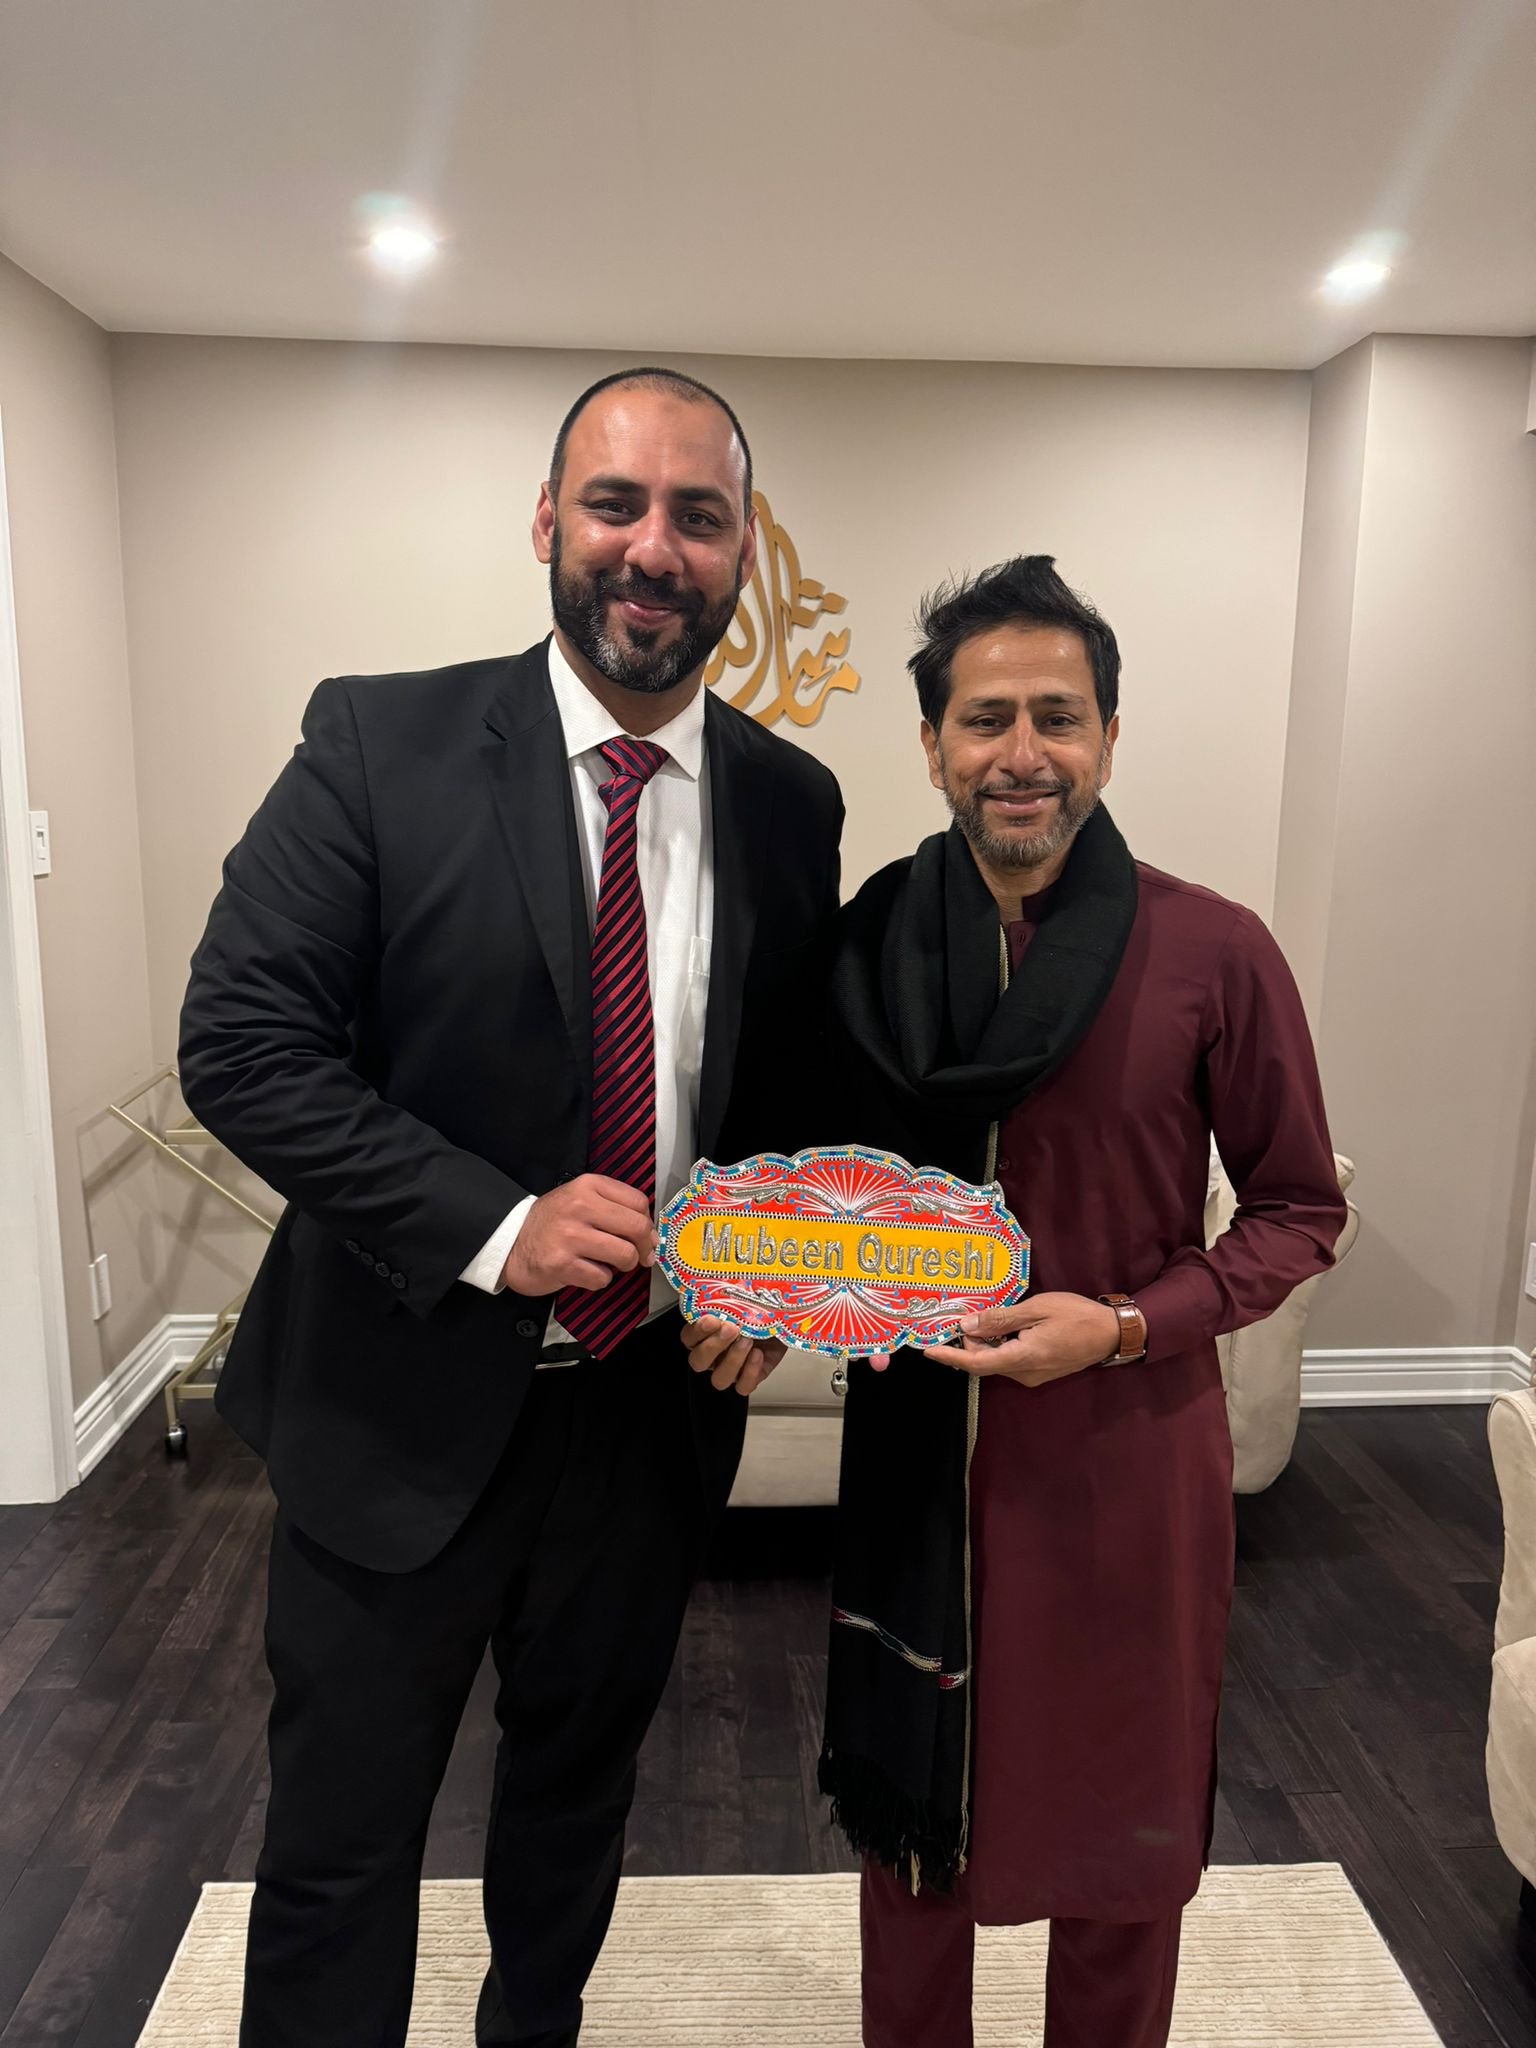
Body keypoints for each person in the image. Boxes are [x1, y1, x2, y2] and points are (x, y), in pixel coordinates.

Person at [177, 366, 842, 2048]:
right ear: (548, 521)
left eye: (698, 516)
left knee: (573, 1810)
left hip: (645, 1424)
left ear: (743, 548)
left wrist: (769, 1275)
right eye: (616, 504)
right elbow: (242, 1047)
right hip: (392, 1406)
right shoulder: (376, 743)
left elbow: (776, 1089)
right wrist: (497, 1228)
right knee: (342, 1847)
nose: (654, 548)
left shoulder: (791, 802)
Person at [819, 556, 1344, 2047]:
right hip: (919, 1450)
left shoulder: (1212, 949)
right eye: (985, 719)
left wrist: (1121, 1325)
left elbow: (1300, 1210)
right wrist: (751, 1290)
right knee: (915, 1827)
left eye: (1058, 716)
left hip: (1124, 1456)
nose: (1022, 753)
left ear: (1110, 738)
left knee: (1122, 1830)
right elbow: (807, 1181)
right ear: (932, 746)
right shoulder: (866, 943)